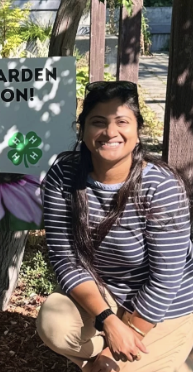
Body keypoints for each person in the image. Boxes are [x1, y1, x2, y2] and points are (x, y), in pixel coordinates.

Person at [36, 81, 193, 372]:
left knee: (112, 367)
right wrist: (108, 320)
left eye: (122, 122)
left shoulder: (160, 187)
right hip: (107, 291)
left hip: (166, 306)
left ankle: (170, 352)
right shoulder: (64, 175)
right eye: (98, 122)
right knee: (53, 323)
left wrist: (118, 343)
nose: (110, 132)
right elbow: (65, 257)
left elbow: (166, 280)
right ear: (81, 130)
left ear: (137, 130)